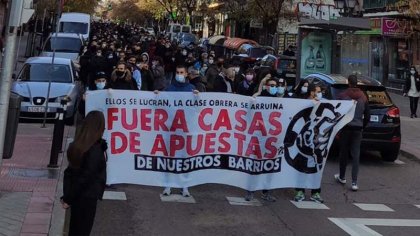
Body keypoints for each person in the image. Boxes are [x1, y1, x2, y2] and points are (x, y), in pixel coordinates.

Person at [61, 111, 107, 236]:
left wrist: (68, 197)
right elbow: (85, 178)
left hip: (78, 197)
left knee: (75, 230)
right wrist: (68, 199)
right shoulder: (94, 150)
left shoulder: (79, 145)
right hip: (86, 197)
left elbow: (70, 173)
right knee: (82, 231)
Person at [159, 65, 198, 197]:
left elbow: (197, 109)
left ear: (186, 74)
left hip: (186, 129)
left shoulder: (191, 89)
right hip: (172, 128)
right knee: (171, 157)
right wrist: (157, 96)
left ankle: (184, 185)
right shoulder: (169, 88)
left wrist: (198, 98)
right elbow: (162, 106)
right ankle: (168, 184)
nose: (179, 74)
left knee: (185, 158)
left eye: (181, 72)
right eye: (177, 72)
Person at [245, 78, 280, 202]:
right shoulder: (258, 97)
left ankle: (266, 192)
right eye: (271, 85)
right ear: (266, 86)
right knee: (255, 165)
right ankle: (250, 191)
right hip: (258, 137)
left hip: (272, 138)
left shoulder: (280, 99)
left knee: (269, 167)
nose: (274, 87)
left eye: (276, 85)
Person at [334, 74, 370, 191]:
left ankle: (342, 176)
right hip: (358, 128)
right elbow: (368, 116)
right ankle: (354, 182)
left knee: (343, 152)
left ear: (348, 82)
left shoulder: (343, 95)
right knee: (356, 154)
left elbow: (337, 112)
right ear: (357, 83)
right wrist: (362, 125)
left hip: (346, 128)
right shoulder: (363, 97)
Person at [294, 83, 324, 203]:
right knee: (301, 166)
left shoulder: (322, 104)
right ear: (311, 92)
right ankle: (299, 191)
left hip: (316, 140)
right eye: (317, 91)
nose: (319, 93)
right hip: (303, 140)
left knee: (317, 167)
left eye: (320, 91)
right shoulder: (303, 104)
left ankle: (315, 192)